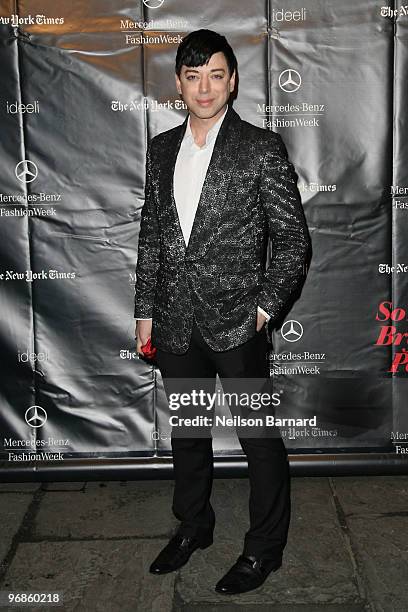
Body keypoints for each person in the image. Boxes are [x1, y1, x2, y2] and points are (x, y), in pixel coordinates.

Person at [134, 29, 311, 595]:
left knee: (259, 440)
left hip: (239, 325)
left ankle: (264, 549)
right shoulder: (161, 148)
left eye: (215, 74)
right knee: (188, 431)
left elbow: (292, 241)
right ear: (179, 84)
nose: (204, 87)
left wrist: (264, 310)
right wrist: (145, 310)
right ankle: (195, 526)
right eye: (192, 76)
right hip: (176, 321)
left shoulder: (260, 147)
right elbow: (152, 236)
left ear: (232, 81)